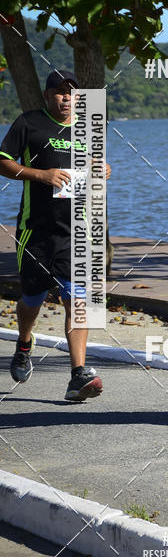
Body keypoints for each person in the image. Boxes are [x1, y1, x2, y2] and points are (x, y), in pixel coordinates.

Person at [0, 69, 110, 401]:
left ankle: (78, 373)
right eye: (60, 92)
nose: (67, 97)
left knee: (77, 299)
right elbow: (3, 162)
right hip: (35, 230)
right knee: (32, 299)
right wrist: (41, 175)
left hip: (76, 230)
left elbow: (96, 165)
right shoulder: (29, 123)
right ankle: (24, 341)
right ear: (48, 95)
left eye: (72, 92)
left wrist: (102, 170)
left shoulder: (88, 127)